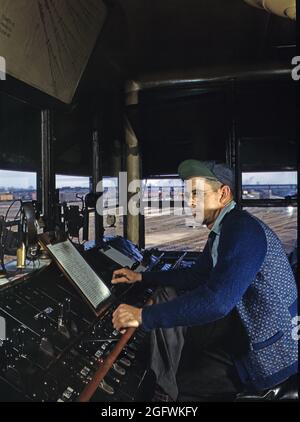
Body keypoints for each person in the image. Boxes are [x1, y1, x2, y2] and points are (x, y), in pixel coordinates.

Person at [111, 160, 298, 401]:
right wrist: (142, 277)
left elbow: (218, 302)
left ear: (223, 194)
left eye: (197, 194)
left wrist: (142, 316)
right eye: (188, 194)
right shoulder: (224, 230)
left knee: (184, 386)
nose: (189, 202)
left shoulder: (241, 229)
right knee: (176, 313)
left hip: (273, 353)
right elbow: (196, 276)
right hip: (253, 332)